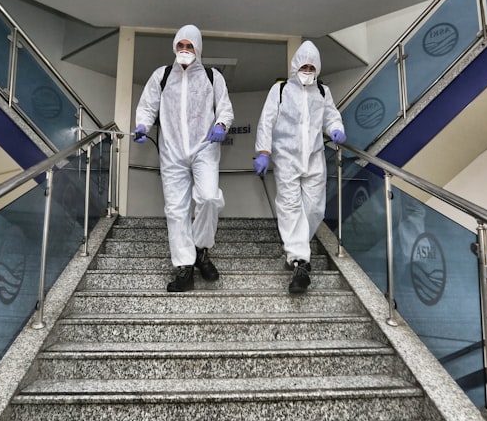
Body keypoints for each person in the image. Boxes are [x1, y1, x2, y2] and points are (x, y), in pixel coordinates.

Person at [133, 24, 235, 292]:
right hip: (173, 152)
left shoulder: (213, 77)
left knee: (209, 197)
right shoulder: (162, 75)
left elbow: (225, 108)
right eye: (181, 45)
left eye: (190, 46)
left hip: (205, 148)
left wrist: (221, 126)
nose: (185, 50)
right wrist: (143, 125)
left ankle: (201, 249)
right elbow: (147, 106)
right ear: (175, 47)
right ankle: (185, 267)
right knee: (176, 210)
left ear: (198, 48)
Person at [253, 41, 346, 294]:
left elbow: (331, 116)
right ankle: (300, 263)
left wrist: (336, 129)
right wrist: (264, 152)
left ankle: (298, 250)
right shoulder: (280, 90)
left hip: (314, 158)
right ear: (295, 66)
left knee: (315, 208)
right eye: (303, 66)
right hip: (287, 159)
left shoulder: (323, 92)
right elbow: (266, 121)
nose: (307, 70)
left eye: (311, 66)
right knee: (290, 207)